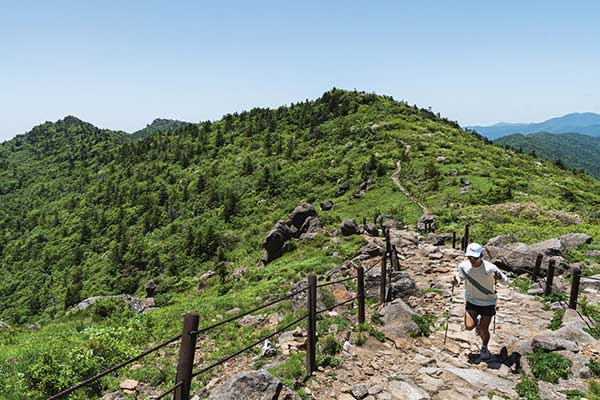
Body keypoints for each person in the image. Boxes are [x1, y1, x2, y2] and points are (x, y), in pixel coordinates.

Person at [452, 242, 508, 360]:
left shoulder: (490, 268)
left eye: (475, 257)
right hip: (472, 300)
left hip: (488, 301)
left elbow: (506, 281)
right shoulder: (463, 266)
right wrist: (456, 281)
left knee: (484, 328)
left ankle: (484, 347)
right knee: (468, 326)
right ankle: (476, 321)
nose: (472, 260)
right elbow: (460, 276)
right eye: (470, 257)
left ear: (481, 255)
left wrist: (500, 278)